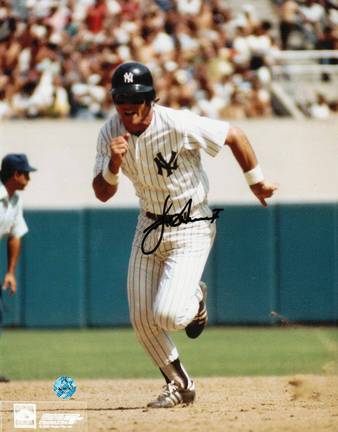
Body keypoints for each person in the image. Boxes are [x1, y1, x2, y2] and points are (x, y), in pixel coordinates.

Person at [92, 61, 277, 408]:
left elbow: (234, 134)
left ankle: (196, 302)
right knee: (142, 318)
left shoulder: (176, 123)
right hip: (148, 225)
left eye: (134, 97)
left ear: (149, 99)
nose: (126, 104)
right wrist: (113, 166)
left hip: (191, 221)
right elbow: (102, 193)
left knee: (169, 315)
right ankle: (180, 384)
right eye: (120, 97)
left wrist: (257, 182)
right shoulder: (108, 134)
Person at [0, 153, 37, 383]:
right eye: (26, 174)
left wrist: (11, 272)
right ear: (15, 174)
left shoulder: (15, 200)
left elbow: (15, 234)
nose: (29, 178)